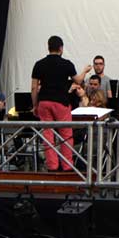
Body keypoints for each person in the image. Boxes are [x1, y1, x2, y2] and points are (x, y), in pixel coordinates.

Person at [31, 35, 92, 172]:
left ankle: (52, 166)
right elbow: (78, 81)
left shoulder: (39, 64)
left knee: (48, 134)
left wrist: (35, 105)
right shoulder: (67, 64)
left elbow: (34, 87)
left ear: (48, 47)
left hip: (44, 102)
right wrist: (85, 71)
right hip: (61, 102)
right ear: (61, 48)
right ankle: (67, 166)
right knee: (66, 134)